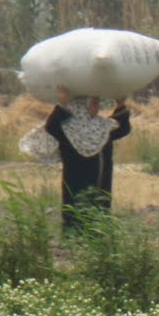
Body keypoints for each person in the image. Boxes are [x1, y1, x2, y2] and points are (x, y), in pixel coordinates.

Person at [43, 86, 132, 233]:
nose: (98, 108)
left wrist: (120, 104)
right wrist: (63, 102)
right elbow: (52, 127)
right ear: (82, 105)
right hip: (77, 183)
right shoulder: (69, 129)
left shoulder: (102, 127)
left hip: (101, 183)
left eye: (98, 103)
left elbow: (122, 129)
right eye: (94, 103)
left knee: (100, 216)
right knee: (76, 214)